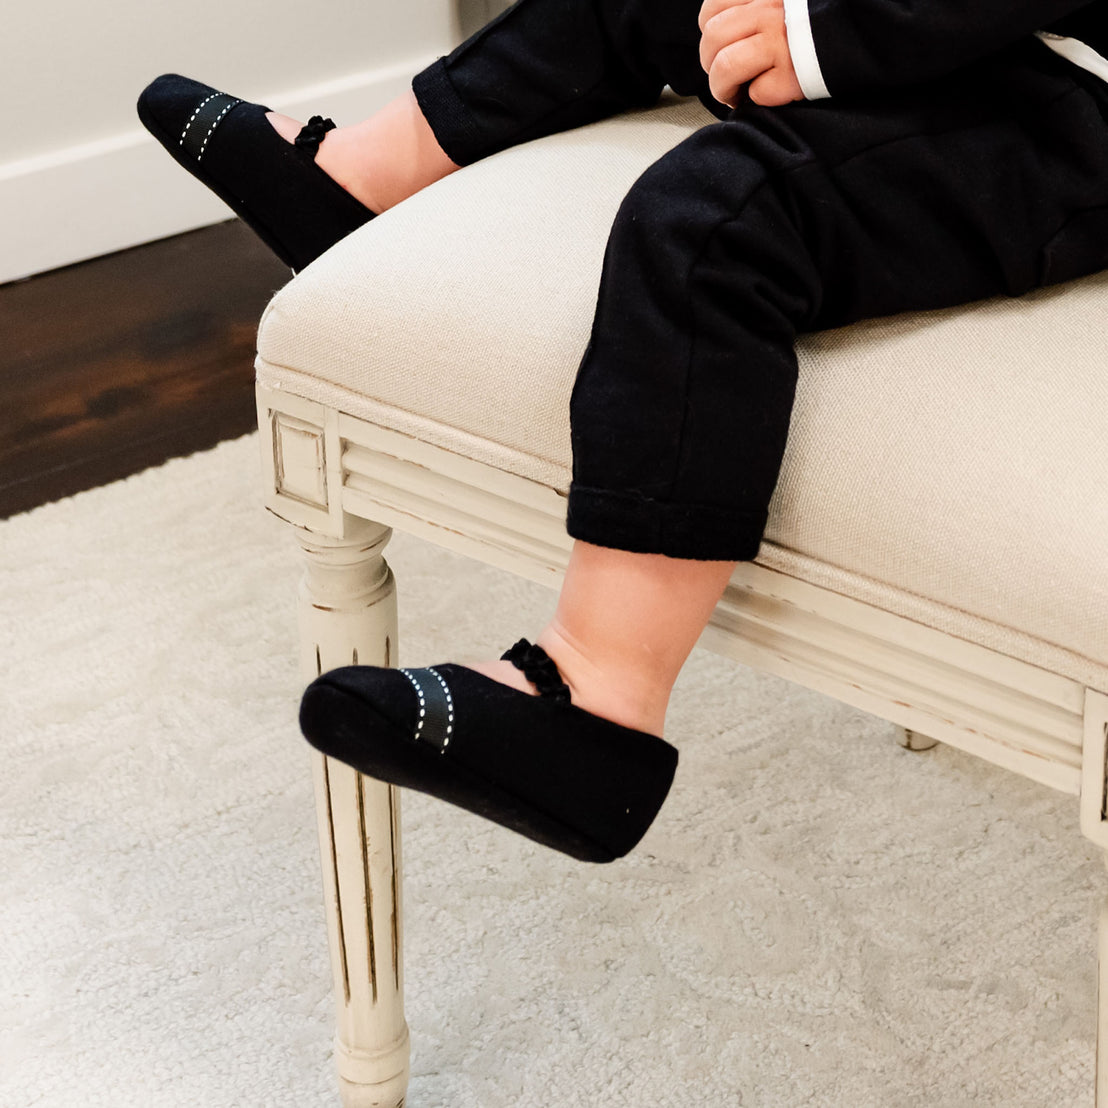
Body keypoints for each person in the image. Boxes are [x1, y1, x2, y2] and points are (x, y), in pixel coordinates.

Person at [138, 0, 1108, 863]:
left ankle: (594, 693)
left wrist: (825, 33)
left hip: (1076, 97)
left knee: (713, 218)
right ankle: (359, 175)